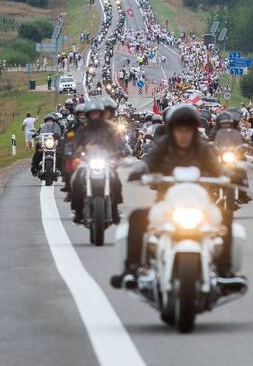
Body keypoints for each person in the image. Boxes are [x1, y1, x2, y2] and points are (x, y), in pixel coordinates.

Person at [112, 104, 229, 287]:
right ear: (172, 130)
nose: (184, 134)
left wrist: (227, 175)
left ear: (193, 130)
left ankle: (225, 270)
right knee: (137, 218)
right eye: (179, 129)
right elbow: (149, 160)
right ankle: (132, 268)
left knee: (226, 216)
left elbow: (217, 167)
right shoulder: (163, 146)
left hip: (200, 203)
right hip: (167, 204)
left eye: (188, 129)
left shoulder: (203, 148)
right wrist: (141, 169)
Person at [70, 99, 125, 224]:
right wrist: (77, 151)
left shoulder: (110, 128)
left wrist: (122, 150)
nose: (94, 115)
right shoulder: (82, 129)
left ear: (100, 113)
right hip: (87, 160)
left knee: (115, 179)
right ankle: (78, 212)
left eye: (97, 113)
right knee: (76, 180)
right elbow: (76, 143)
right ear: (88, 114)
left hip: (105, 159)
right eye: (92, 113)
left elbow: (119, 142)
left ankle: (115, 210)